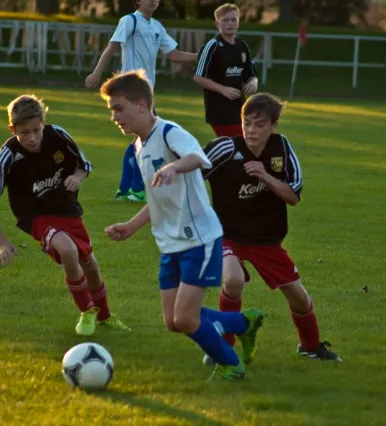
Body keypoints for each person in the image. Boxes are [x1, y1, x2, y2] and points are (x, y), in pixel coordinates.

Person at [99, 70, 264, 380]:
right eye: (111, 110)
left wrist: (175, 166)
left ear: (142, 104)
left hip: (199, 238)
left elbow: (197, 157)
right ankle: (243, 323)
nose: (114, 117)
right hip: (170, 244)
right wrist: (131, 226)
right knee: (174, 321)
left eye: (118, 108)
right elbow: (157, 198)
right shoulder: (139, 146)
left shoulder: (168, 132)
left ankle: (232, 366)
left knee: (186, 319)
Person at [201, 93, 341, 363]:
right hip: (227, 234)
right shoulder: (225, 148)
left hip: (266, 239)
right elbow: (191, 175)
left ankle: (311, 347)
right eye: (247, 123)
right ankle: (222, 350)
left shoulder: (281, 148)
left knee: (298, 297)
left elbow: (294, 196)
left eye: (260, 124)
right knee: (233, 280)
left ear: (274, 125)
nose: (251, 130)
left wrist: (265, 176)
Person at [0, 94, 130, 336]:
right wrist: (3, 243)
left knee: (90, 265)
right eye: (24, 133)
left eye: (36, 130)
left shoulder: (57, 135)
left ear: (43, 122)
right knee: (68, 250)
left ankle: (105, 316)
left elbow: (84, 165)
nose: (32, 138)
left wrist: (77, 177)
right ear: (12, 129)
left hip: (66, 208)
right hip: (35, 217)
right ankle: (86, 310)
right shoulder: (8, 156)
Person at [84, 0, 197, 203]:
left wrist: (201, 56)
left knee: (141, 139)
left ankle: (125, 188)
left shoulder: (157, 26)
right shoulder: (130, 21)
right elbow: (112, 46)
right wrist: (96, 72)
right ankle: (136, 189)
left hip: (146, 92)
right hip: (131, 89)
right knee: (147, 138)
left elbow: (173, 55)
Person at [193, 3, 257, 138]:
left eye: (233, 19)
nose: (230, 23)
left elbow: (251, 74)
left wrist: (253, 82)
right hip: (219, 109)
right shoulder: (212, 46)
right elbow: (198, 77)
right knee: (239, 143)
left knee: (244, 144)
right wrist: (223, 89)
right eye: (225, 20)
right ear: (217, 23)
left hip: (240, 107)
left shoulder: (242, 46)